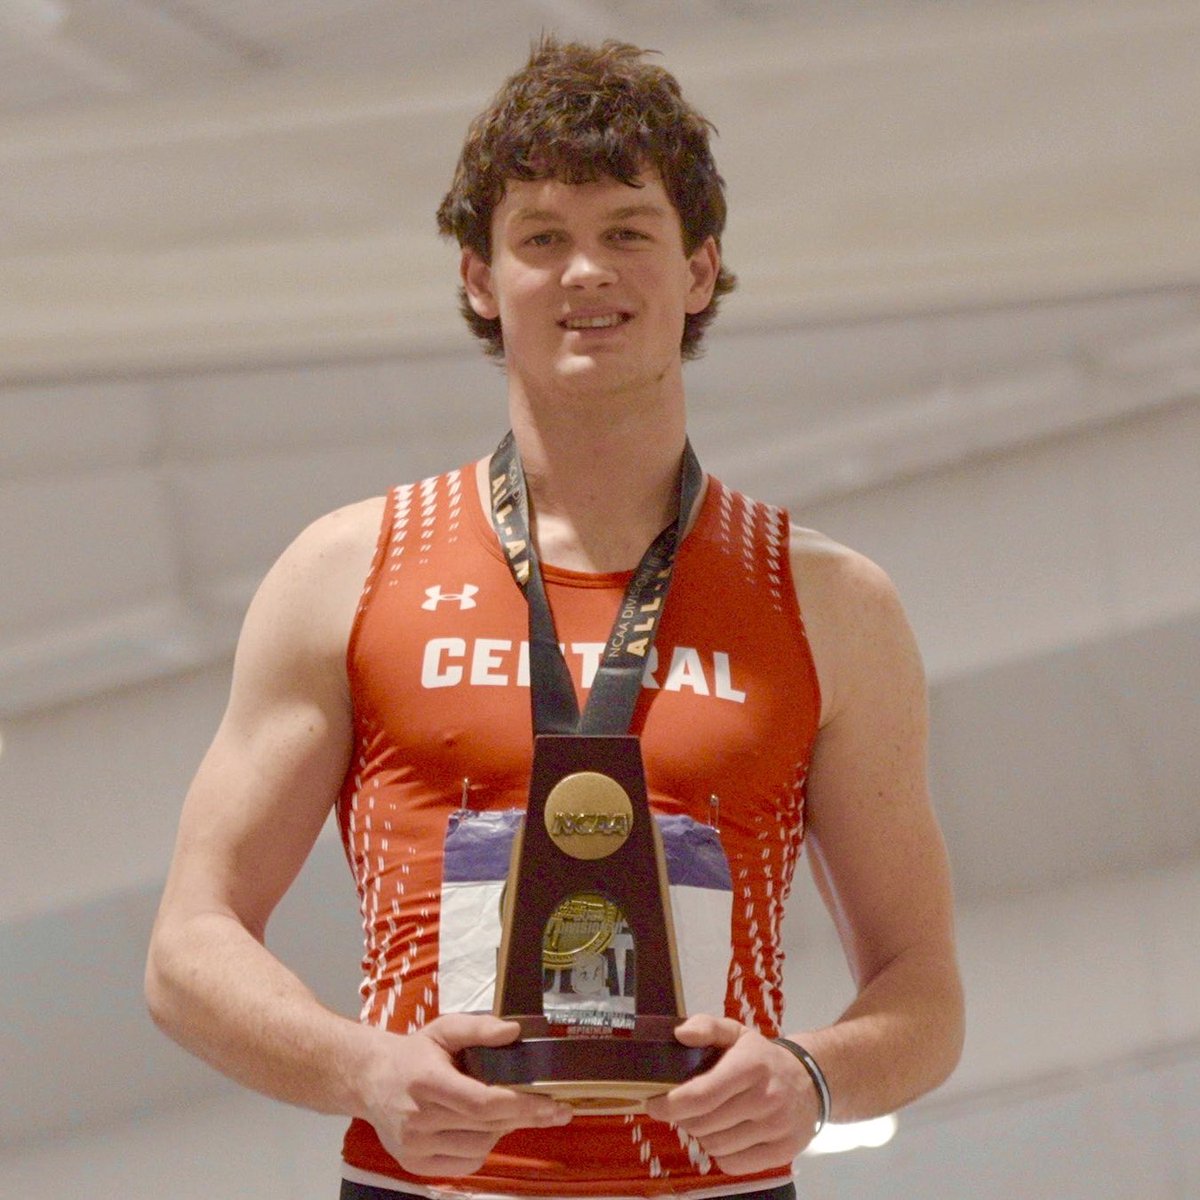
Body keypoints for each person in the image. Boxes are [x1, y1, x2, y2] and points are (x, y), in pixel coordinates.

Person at [145, 35, 964, 1200]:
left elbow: (923, 989)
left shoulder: (831, 604)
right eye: (542, 238)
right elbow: (189, 947)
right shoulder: (348, 573)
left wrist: (813, 1076)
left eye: (629, 230)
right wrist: (362, 1069)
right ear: (480, 277)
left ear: (699, 269)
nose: (587, 271)